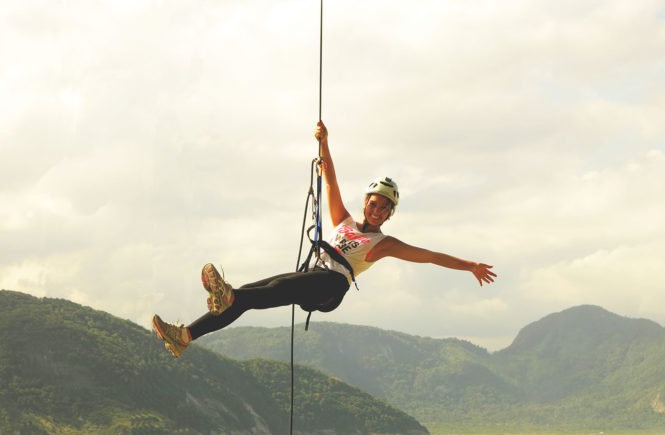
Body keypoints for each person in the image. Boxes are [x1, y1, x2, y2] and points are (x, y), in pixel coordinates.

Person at [152, 121, 497, 357]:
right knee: (243, 299)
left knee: (267, 291)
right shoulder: (344, 221)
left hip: (331, 285)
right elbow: (330, 178)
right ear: (366, 202)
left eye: (384, 209)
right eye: (374, 204)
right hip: (311, 275)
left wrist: (470, 266)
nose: (377, 212)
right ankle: (184, 337)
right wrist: (324, 141)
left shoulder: (383, 244)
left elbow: (429, 255)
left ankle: (227, 296)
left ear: (390, 215)